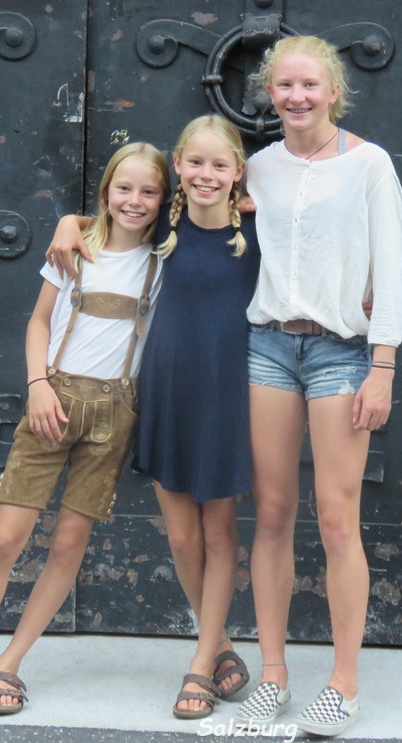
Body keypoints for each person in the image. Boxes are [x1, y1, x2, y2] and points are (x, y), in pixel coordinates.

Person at [0, 142, 169, 719]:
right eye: (124, 188)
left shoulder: (163, 260)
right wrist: (38, 384)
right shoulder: (75, 247)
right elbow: (39, 321)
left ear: (163, 199)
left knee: (69, 544)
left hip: (114, 413)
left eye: (149, 191)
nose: (135, 200)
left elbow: (221, 213)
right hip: (53, 400)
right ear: (106, 191)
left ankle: (11, 662)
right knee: (7, 538)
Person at [46, 114, 260, 720]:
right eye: (195, 163)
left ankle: (200, 663)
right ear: (178, 166)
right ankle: (219, 644)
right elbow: (104, 221)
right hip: (165, 390)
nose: (205, 174)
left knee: (219, 533)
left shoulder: (256, 230)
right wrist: (67, 222)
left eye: (219, 165)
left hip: (225, 394)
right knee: (183, 536)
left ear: (238, 172)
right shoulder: (163, 228)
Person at [229, 35, 402, 738]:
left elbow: (390, 269)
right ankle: (272, 676)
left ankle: (343, 684)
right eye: (284, 86)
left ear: (334, 90)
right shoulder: (259, 168)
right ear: (270, 93)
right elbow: (186, 210)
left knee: (336, 519)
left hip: (340, 353)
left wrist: (383, 367)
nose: (296, 97)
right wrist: (75, 221)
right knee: (272, 514)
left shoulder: (369, 165)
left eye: (309, 85)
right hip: (268, 347)